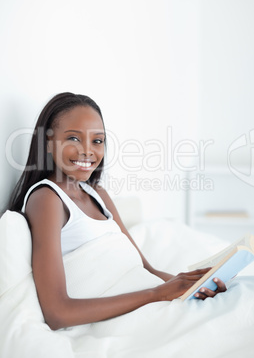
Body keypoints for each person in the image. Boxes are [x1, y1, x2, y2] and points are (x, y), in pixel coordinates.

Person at [8, 92, 226, 331]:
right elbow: (57, 312)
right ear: (48, 143)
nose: (88, 151)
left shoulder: (97, 194)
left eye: (97, 141)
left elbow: (146, 270)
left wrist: (194, 285)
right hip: (133, 318)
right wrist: (157, 294)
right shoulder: (47, 199)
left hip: (154, 305)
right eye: (74, 138)